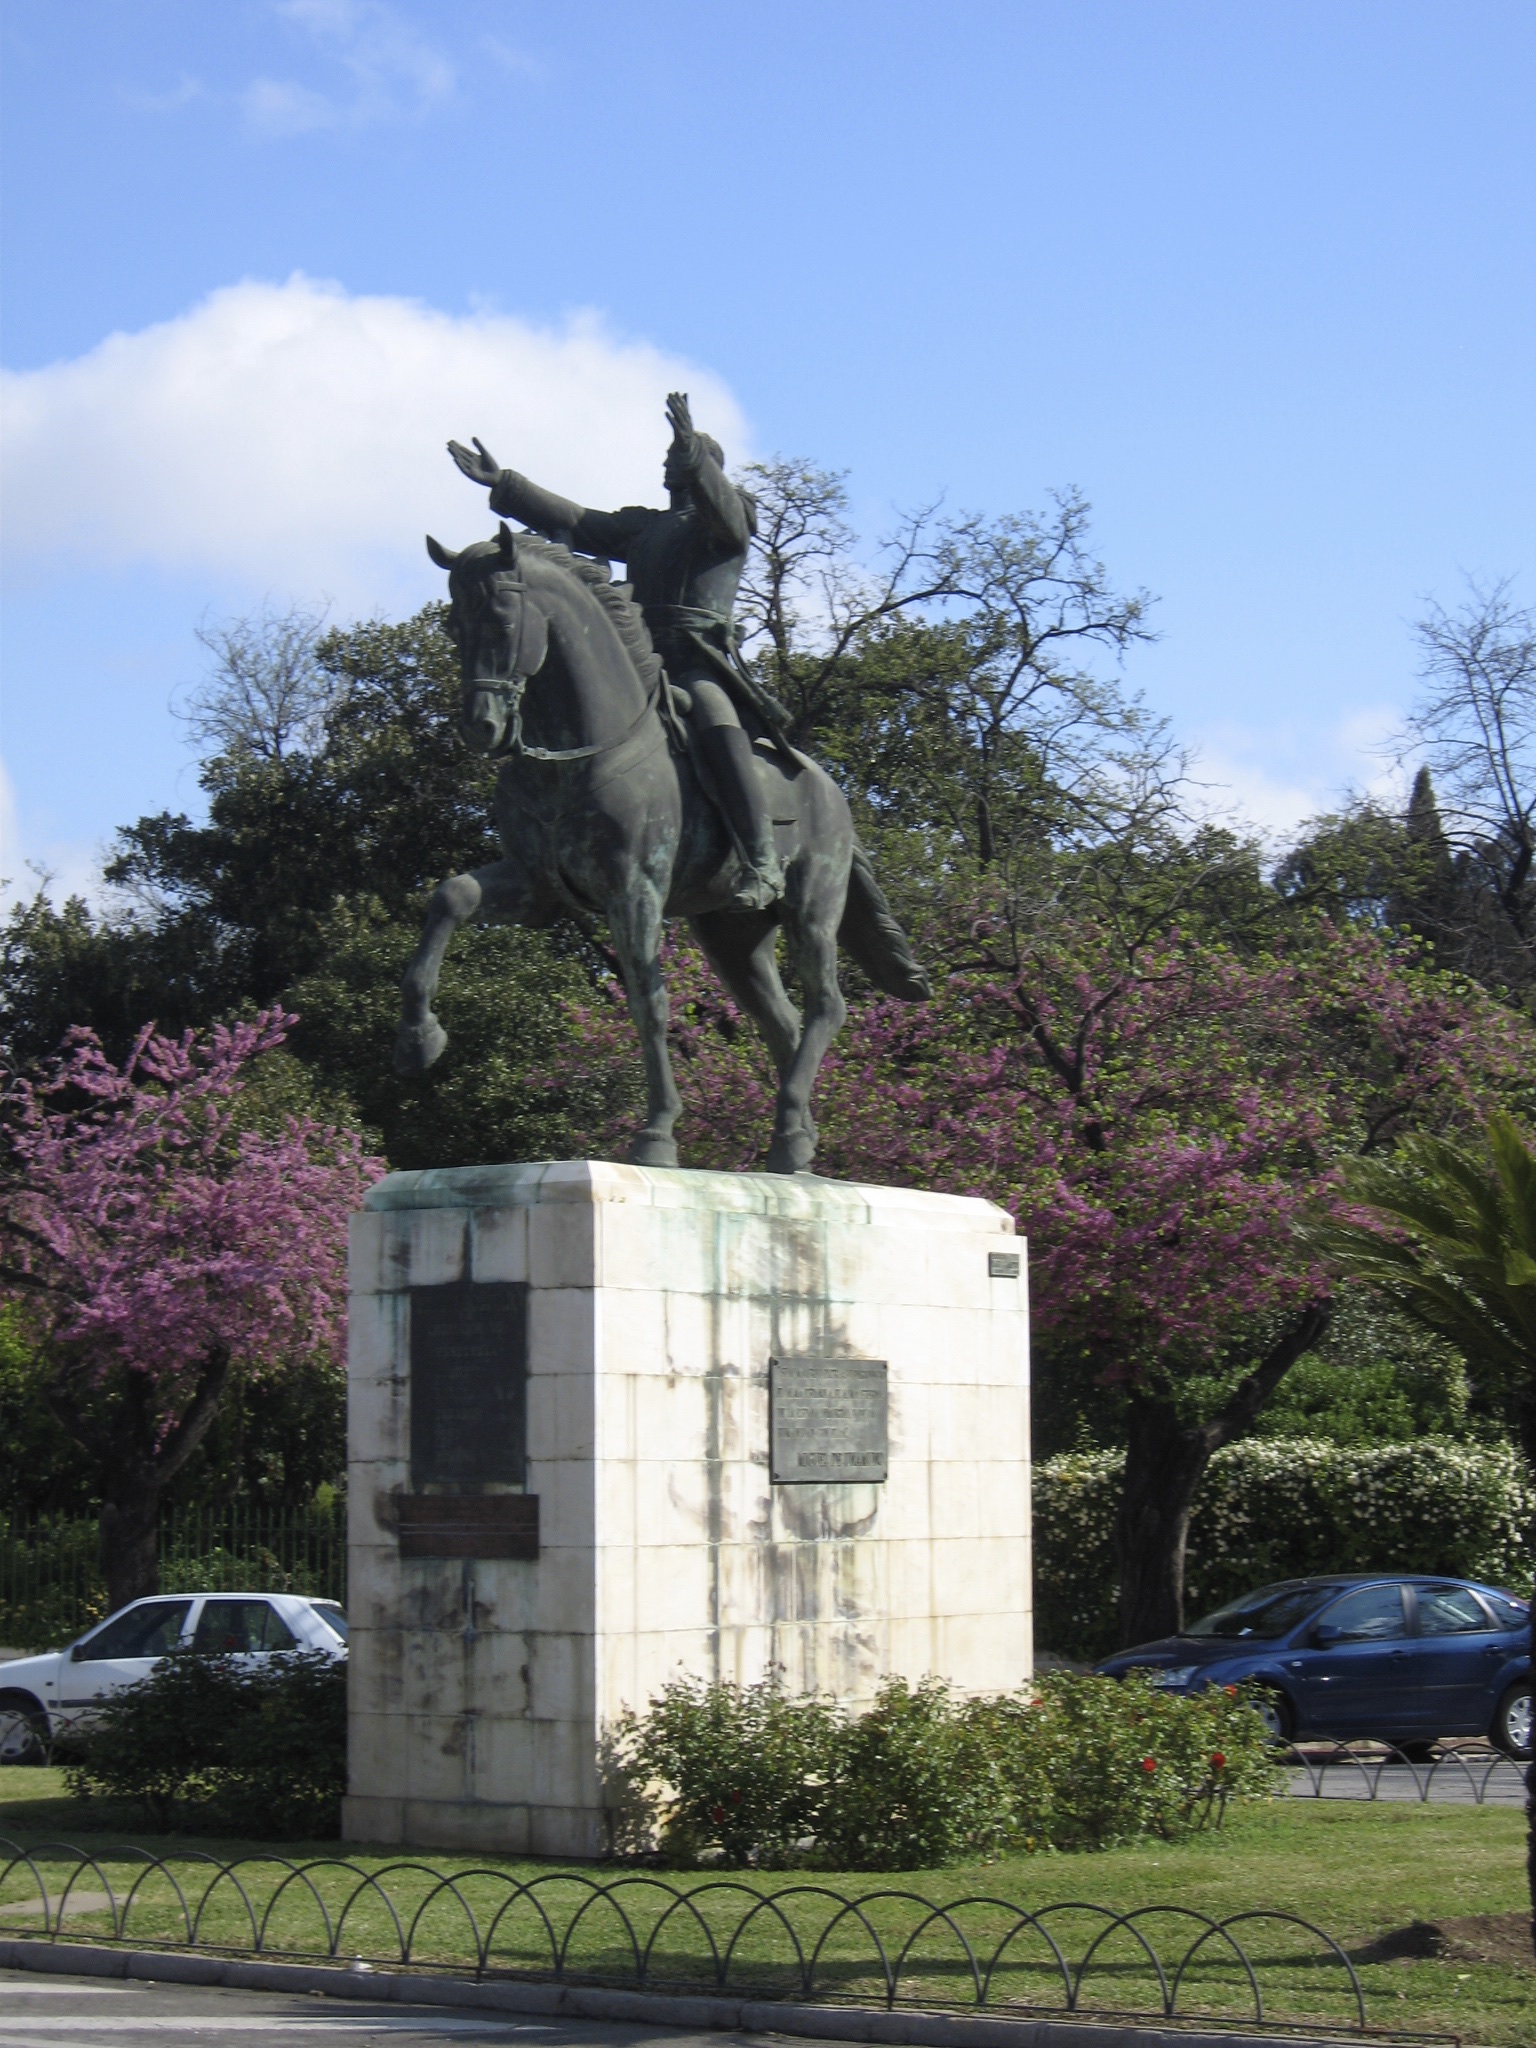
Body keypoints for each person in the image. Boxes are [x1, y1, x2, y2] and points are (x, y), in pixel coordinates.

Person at [448, 393, 787, 910]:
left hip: (697, 660)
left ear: (704, 467)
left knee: (715, 716)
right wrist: (506, 485)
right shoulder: (645, 528)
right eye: (670, 457)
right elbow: (579, 520)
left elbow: (720, 505)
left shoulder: (726, 522)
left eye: (682, 457)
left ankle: (761, 860)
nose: (669, 462)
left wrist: (692, 445)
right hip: (639, 659)